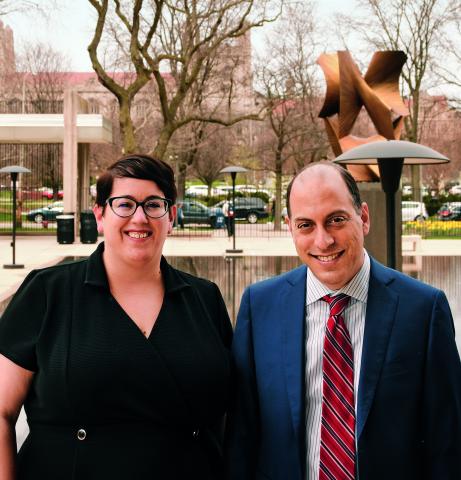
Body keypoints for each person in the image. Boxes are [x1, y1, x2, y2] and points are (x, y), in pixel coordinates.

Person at [0, 154, 232, 480]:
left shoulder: (204, 298)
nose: (139, 217)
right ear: (100, 214)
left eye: (154, 204)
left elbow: (225, 417)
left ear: (172, 216)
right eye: (124, 204)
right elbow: (2, 412)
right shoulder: (48, 291)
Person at [226, 161, 461, 480]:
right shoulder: (260, 306)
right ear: (289, 226)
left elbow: (446, 443)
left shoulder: (423, 309)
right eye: (306, 225)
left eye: (336, 220)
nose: (323, 241)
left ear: (363, 217)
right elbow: (243, 435)